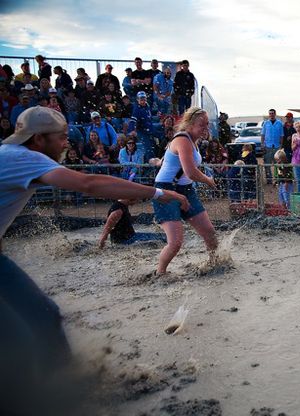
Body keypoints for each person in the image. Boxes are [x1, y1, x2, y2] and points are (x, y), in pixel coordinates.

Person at [0, 107, 188, 415]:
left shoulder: (12, 155)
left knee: (45, 317)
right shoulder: (22, 158)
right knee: (19, 339)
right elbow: (89, 184)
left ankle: (63, 389)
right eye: (61, 138)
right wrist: (157, 193)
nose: (66, 144)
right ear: (37, 139)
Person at [152, 106, 218, 275]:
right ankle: (160, 273)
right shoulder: (182, 140)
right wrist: (208, 180)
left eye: (207, 124)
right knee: (175, 242)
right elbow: (190, 171)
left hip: (186, 189)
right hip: (166, 190)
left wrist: (159, 162)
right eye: (202, 125)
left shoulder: (191, 141)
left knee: (209, 233)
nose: (205, 128)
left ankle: (215, 263)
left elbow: (169, 162)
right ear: (189, 123)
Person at [98, 199, 166, 248]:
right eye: (137, 199)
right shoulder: (117, 211)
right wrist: (101, 246)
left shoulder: (123, 205)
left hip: (132, 236)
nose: (137, 202)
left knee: (162, 236)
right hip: (125, 241)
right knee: (161, 239)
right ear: (131, 198)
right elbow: (106, 230)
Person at [260, 108, 283, 184]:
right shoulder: (266, 123)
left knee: (278, 164)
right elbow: (262, 134)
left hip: (277, 146)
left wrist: (280, 146)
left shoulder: (279, 123)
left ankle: (278, 179)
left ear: (275, 114)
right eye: (270, 113)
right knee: (267, 164)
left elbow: (281, 135)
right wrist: (262, 144)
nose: (271, 115)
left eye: (273, 113)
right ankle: (269, 180)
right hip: (268, 146)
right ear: (269, 114)